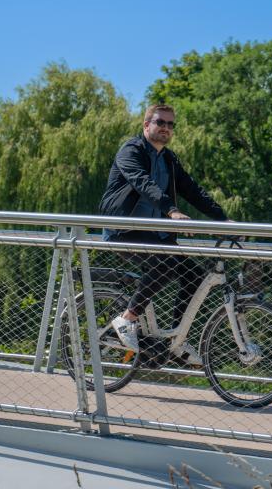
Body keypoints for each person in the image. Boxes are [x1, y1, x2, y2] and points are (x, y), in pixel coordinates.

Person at [99, 104, 228, 362]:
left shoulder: (169, 160)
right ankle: (126, 319)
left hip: (156, 236)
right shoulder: (131, 151)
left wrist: (223, 219)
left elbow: (192, 190)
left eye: (171, 125)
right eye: (160, 122)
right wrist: (171, 211)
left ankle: (176, 341)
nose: (166, 128)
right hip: (125, 232)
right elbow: (142, 183)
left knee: (193, 275)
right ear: (146, 125)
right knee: (165, 266)